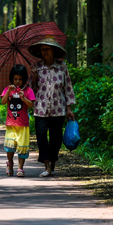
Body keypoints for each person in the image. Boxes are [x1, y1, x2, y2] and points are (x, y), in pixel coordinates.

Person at [28, 36, 76, 178]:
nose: (44, 52)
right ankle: (47, 166)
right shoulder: (37, 67)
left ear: (54, 51)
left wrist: (69, 108)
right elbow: (31, 89)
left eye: (47, 49)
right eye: (42, 49)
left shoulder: (62, 66)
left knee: (56, 139)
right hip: (40, 109)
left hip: (58, 109)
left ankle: (52, 164)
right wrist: (34, 76)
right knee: (41, 137)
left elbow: (68, 87)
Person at [0, 64, 35, 177]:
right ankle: (10, 164)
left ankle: (20, 168)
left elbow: (31, 105)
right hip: (11, 123)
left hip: (23, 124)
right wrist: (8, 92)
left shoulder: (28, 90)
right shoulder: (8, 89)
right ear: (12, 78)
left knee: (22, 147)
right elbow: (3, 102)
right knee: (10, 146)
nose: (17, 81)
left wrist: (23, 98)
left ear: (24, 79)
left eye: (20, 79)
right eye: (15, 79)